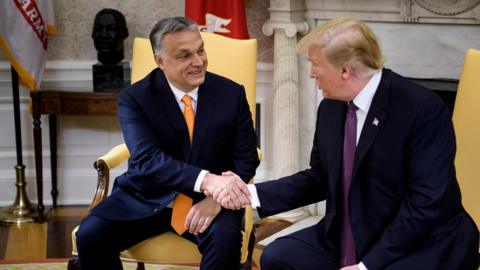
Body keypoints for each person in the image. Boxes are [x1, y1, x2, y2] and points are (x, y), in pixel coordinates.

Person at [215, 17, 480, 269]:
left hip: (418, 241)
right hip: (351, 229)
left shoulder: (421, 109)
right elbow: (320, 178)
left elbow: (425, 204)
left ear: (345, 70)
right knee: (279, 257)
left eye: (315, 63)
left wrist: (367, 266)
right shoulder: (331, 107)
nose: (310, 73)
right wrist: (249, 195)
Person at [76, 16, 259, 270]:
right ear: (160, 61)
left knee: (225, 238)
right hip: (146, 196)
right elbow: (147, 160)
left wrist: (217, 198)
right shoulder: (135, 99)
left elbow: (247, 157)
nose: (198, 62)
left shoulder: (231, 94)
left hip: (208, 200)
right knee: (90, 236)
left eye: (200, 50)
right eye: (184, 56)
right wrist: (209, 179)